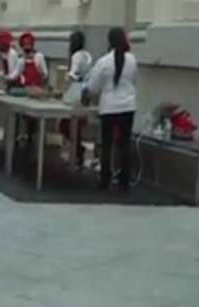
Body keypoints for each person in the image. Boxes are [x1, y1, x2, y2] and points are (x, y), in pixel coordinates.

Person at [85, 26, 138, 191]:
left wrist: (85, 93)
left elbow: (93, 86)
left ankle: (105, 180)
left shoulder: (103, 62)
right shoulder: (132, 60)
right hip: (128, 106)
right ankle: (124, 181)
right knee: (124, 144)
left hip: (109, 107)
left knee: (107, 144)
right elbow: (134, 80)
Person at [60, 29, 92, 166]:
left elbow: (72, 74)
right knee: (78, 124)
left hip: (75, 92)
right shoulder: (87, 55)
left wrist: (65, 77)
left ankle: (76, 151)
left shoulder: (76, 56)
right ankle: (77, 151)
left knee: (67, 124)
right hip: (85, 91)